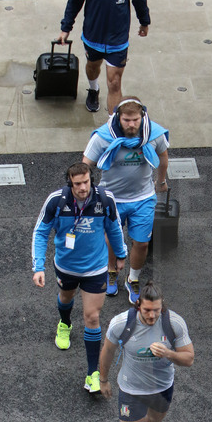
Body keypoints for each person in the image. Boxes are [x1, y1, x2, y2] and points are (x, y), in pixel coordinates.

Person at [98, 281, 194, 422]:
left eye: (156, 310)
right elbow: (108, 350)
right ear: (138, 305)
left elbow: (189, 358)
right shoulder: (121, 324)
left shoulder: (174, 323)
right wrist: (103, 379)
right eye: (147, 310)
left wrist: (169, 353)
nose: (152, 316)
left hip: (162, 387)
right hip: (131, 390)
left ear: (163, 307)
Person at [32, 162, 127, 393]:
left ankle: (92, 373)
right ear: (70, 184)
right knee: (65, 299)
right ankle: (65, 323)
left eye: (86, 182)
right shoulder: (57, 201)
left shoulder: (104, 199)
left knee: (92, 317)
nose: (83, 188)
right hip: (66, 267)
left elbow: (114, 228)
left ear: (91, 180)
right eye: (77, 184)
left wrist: (121, 254)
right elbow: (41, 231)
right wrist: (38, 266)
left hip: (95, 269)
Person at [82, 96, 169, 302]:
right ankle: (111, 272)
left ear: (143, 117)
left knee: (141, 243)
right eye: (127, 120)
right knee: (112, 240)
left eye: (136, 120)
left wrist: (161, 181)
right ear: (118, 118)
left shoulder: (154, 134)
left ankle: (133, 279)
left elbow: (163, 158)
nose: (131, 124)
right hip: (111, 199)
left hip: (144, 198)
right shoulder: (103, 137)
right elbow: (86, 165)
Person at [57, 0, 150, 113]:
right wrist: (65, 28)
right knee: (93, 67)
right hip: (93, 38)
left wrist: (144, 22)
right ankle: (93, 89)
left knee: (114, 82)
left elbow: (140, 0)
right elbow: (74, 2)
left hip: (118, 41)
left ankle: (112, 126)